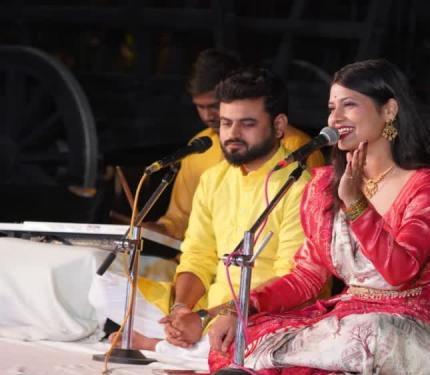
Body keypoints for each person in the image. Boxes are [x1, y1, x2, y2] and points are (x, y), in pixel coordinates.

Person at [206, 59, 430, 375]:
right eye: (331, 108)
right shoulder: (324, 187)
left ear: (389, 110)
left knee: (367, 333)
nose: (334, 119)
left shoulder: (429, 188)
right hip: (348, 317)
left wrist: (355, 204)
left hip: (414, 322)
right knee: (247, 335)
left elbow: (400, 272)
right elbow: (308, 276)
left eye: (348, 105)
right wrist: (242, 307)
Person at [90, 67, 316, 356]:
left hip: (260, 314)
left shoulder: (300, 187)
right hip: (207, 310)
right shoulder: (214, 179)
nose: (233, 134)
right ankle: (182, 343)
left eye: (247, 124)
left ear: (279, 125)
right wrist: (181, 310)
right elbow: (198, 255)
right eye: (226, 123)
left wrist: (208, 316)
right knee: (102, 288)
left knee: (247, 345)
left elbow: (291, 281)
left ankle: (157, 346)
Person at [151, 48, 325, 241]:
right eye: (200, 107)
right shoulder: (202, 152)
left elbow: (307, 237)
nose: (208, 116)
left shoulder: (298, 147)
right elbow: (179, 224)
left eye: (214, 106)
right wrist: (148, 229)